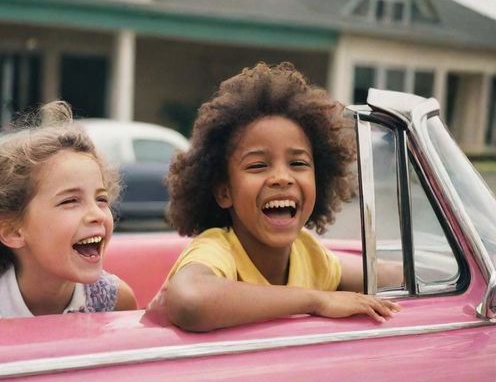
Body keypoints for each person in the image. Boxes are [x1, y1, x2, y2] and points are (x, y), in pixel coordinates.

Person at [151, 62, 402, 332]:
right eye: (258, 165)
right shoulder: (217, 248)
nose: (282, 177)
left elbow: (389, 275)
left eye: (298, 164)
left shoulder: (308, 252)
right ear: (225, 192)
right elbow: (191, 301)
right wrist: (317, 300)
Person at [0, 101, 137, 326]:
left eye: (101, 199)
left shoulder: (115, 301)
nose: (97, 214)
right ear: (12, 231)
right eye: (71, 201)